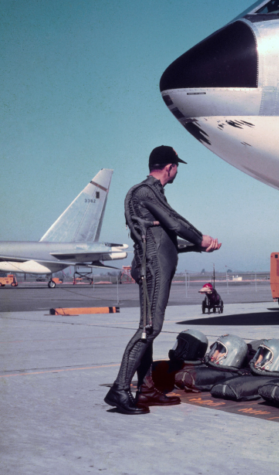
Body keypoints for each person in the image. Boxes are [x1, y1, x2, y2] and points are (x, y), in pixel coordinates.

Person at [105, 146, 221, 415]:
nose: (177, 170)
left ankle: (145, 390)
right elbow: (175, 223)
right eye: (176, 166)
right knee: (150, 328)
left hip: (156, 266)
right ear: (169, 167)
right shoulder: (144, 192)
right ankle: (119, 389)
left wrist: (197, 247)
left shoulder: (152, 194)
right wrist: (200, 237)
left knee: (149, 328)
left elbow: (165, 241)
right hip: (154, 270)